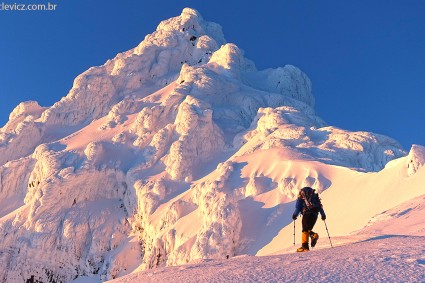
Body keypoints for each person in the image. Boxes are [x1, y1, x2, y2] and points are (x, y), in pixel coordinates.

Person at [292, 187, 326, 252]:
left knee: (305, 230)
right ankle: (311, 238)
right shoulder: (315, 197)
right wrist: (323, 215)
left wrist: (294, 215)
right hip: (314, 215)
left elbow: (298, 208)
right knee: (308, 230)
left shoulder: (301, 198)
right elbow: (320, 207)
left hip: (306, 214)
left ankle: (305, 246)